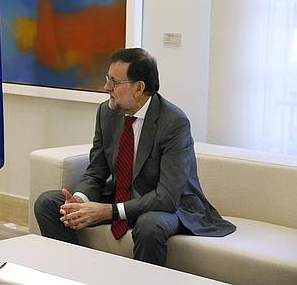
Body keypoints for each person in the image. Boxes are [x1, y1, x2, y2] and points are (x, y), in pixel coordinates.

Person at [34, 47, 235, 266]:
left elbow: (166, 197)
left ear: (139, 88)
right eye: (107, 79)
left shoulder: (173, 123)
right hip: (121, 197)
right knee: (48, 203)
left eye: (114, 82)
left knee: (150, 225)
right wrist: (80, 202)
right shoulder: (107, 112)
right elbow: (96, 171)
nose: (106, 87)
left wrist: (107, 212)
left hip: (171, 207)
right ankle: (73, 273)